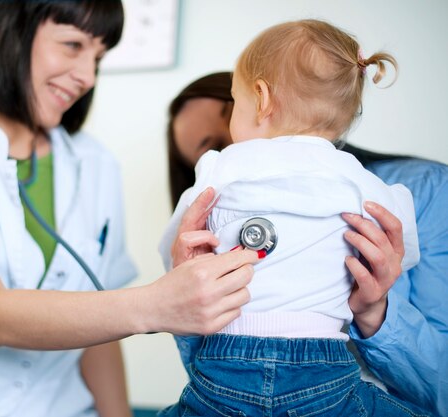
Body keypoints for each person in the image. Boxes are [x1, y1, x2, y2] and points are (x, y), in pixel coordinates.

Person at [0, 2, 260, 416]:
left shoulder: (95, 164)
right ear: (7, 31)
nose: (87, 77)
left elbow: (99, 329)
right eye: (73, 45)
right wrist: (157, 305)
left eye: (98, 57)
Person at [159, 19, 434, 416]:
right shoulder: (361, 180)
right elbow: (401, 248)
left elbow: (174, 253)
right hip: (324, 365)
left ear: (262, 97)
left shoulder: (220, 168)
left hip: (224, 364)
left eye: (232, 103)